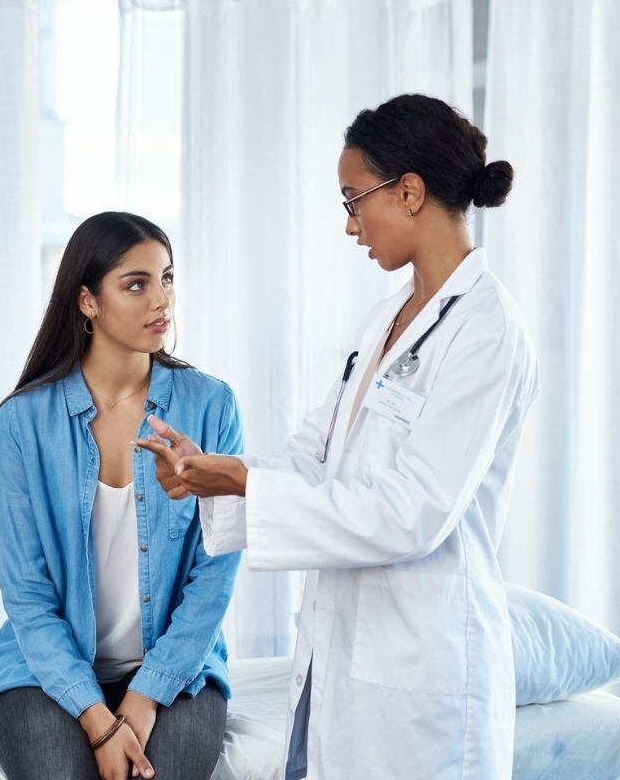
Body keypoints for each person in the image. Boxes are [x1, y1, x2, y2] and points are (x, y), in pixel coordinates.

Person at [140, 94, 540, 779]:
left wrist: (243, 482)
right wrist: (215, 469)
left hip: (421, 673)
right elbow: (315, 455)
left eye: (355, 200)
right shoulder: (387, 319)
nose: (351, 225)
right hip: (344, 665)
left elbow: (410, 512)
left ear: (409, 192)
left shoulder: (486, 330)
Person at [0, 211, 243, 780]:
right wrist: (98, 721)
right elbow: (27, 595)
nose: (161, 300)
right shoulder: (22, 425)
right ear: (88, 301)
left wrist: (145, 697)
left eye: (167, 278)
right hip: (42, 672)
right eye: (136, 284)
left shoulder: (211, 406)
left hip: (176, 667)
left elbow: (216, 571)